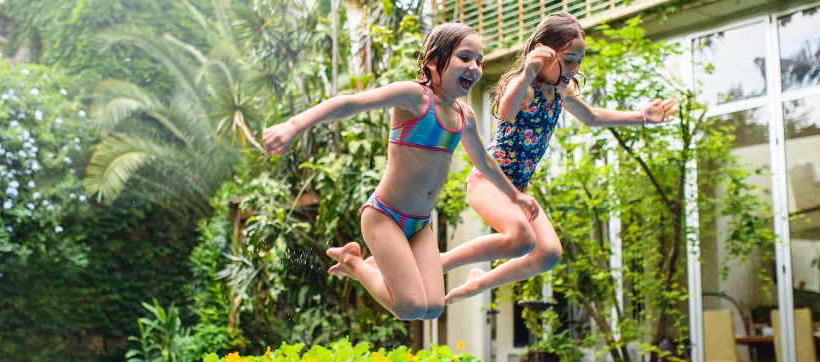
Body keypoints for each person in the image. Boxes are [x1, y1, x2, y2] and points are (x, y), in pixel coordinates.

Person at [262, 23, 540, 321]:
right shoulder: (415, 97)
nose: (474, 67)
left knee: (433, 308)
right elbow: (349, 104)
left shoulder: (465, 116)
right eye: (465, 57)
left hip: (420, 224)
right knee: (409, 307)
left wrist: (515, 197)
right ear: (433, 61)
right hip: (384, 216)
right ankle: (354, 263)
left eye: (479, 61)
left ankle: (362, 263)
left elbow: (484, 163)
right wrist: (294, 126)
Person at [441, 12, 678, 304]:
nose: (575, 68)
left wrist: (642, 117)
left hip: (519, 189)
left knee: (549, 254)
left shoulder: (560, 91)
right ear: (543, 52)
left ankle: (478, 282)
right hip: (489, 180)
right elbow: (506, 110)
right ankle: (441, 263)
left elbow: (592, 117)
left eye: (579, 60)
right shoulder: (525, 86)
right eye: (568, 60)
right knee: (519, 238)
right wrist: (528, 70)